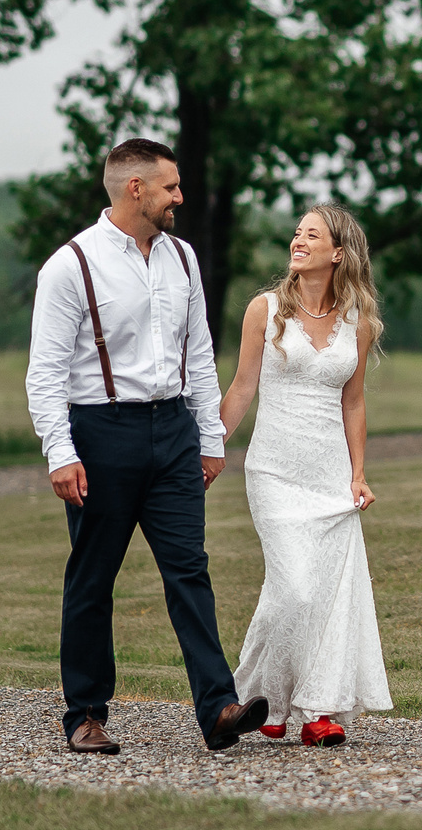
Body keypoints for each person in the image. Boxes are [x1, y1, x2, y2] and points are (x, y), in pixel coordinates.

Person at [25, 138, 268, 755]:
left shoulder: (182, 259)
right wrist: (61, 452)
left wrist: (209, 440)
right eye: (171, 188)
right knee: (92, 578)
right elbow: (46, 372)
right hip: (100, 435)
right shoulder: (70, 265)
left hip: (174, 436)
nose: (180, 197)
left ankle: (218, 709)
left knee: (190, 570)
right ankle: (84, 715)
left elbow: (200, 360)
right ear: (135, 189)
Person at [218, 204, 392, 748]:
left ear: (338, 253)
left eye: (311, 235)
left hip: (331, 478)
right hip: (273, 471)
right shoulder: (264, 310)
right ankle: (263, 692)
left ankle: (317, 710)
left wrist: (359, 474)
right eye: (296, 233)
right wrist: (207, 448)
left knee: (330, 592)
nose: (297, 241)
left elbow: (354, 402)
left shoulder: (357, 323)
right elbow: (243, 387)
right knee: (293, 588)